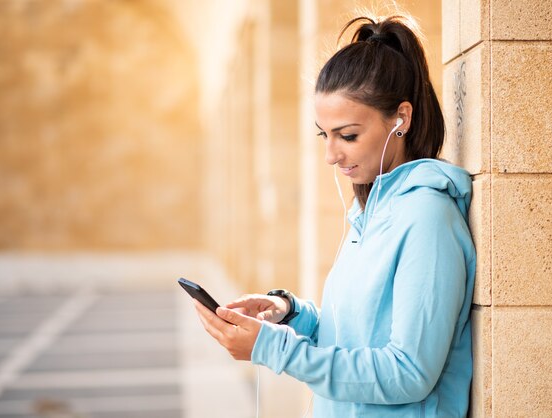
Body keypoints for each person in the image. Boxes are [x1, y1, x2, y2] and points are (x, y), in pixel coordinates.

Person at [193, 14, 476, 418]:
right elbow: (357, 336)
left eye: (347, 135)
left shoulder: (428, 218)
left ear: (402, 119)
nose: (331, 155)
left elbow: (409, 372)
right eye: (323, 135)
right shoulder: (371, 212)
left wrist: (274, 349)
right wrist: (291, 314)